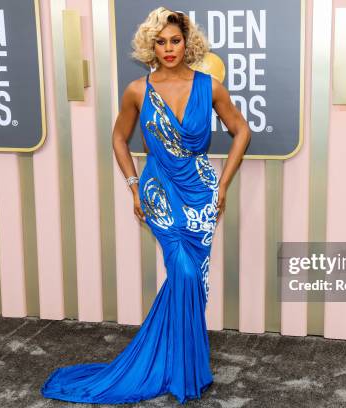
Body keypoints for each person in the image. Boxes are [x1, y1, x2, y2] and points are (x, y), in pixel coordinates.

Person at [40, 6, 251, 405]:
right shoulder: (138, 90)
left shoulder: (211, 86)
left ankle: (185, 366)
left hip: (201, 193)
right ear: (149, 45)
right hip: (159, 192)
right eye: (161, 41)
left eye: (175, 40)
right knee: (184, 273)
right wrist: (134, 186)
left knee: (192, 282)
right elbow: (119, 138)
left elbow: (242, 131)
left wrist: (223, 184)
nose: (169, 48)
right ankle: (177, 367)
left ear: (186, 42)